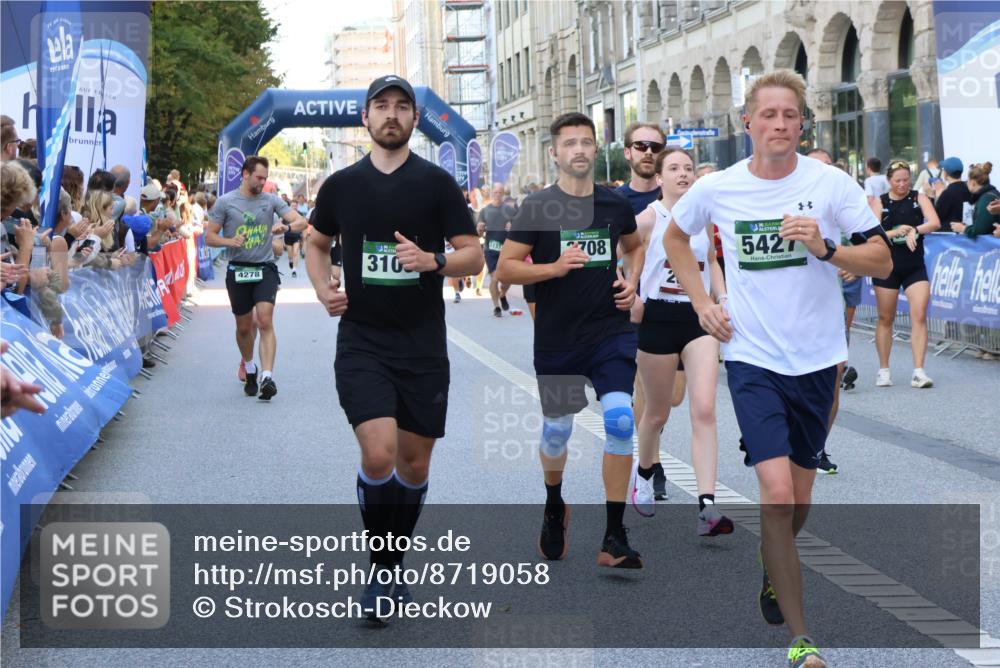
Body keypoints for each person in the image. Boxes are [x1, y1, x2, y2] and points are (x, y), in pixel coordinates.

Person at [665, 70, 891, 668]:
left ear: (802, 122)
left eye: (791, 115)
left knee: (800, 497)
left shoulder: (831, 184)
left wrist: (827, 248)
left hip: (817, 360)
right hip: (752, 357)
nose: (781, 125)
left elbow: (882, 257)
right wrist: (702, 304)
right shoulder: (720, 188)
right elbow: (672, 239)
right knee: (776, 489)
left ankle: (775, 559)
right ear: (747, 123)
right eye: (768, 115)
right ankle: (801, 640)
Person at [306, 75, 483, 620]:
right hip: (362, 340)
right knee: (379, 452)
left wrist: (433, 261)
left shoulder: (435, 184)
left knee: (413, 463)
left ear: (413, 120)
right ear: (365, 118)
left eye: (401, 107)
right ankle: (381, 573)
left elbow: (474, 256)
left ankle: (392, 563)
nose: (391, 114)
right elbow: (315, 241)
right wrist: (321, 288)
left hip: (423, 345)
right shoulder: (341, 185)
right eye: (380, 106)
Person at [496, 112, 645, 570]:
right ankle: (554, 503)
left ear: (596, 150)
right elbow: (505, 269)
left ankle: (614, 535)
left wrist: (631, 282)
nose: (579, 149)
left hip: (610, 333)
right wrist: (554, 269)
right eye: (570, 143)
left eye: (586, 142)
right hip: (559, 340)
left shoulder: (615, 205)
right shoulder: (537, 207)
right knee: (558, 429)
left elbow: (635, 246)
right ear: (555, 153)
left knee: (620, 421)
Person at [632, 147, 733, 536]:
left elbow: (713, 261)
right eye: (673, 168)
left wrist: (721, 299)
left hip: (699, 317)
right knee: (657, 412)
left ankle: (707, 506)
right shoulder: (646, 219)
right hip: (658, 317)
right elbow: (626, 258)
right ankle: (643, 473)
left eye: (688, 168)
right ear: (658, 178)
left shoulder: (704, 217)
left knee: (704, 409)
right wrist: (632, 294)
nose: (683, 174)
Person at [204, 155, 308, 401]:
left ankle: (268, 377)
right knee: (243, 327)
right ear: (245, 174)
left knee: (264, 320)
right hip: (238, 269)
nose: (263, 182)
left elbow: (302, 222)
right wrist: (229, 241)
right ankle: (250, 367)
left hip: (264, 268)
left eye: (265, 178)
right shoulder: (226, 202)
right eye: (259, 177)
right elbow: (209, 237)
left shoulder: (270, 201)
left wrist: (287, 227)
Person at [805, 147, 857, 474]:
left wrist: (852, 262)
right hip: (785, 309)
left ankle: (818, 447)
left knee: (834, 373)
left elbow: (866, 242)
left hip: (827, 304)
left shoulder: (839, 201)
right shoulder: (780, 201)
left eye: (827, 166)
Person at [870, 160, 941, 389]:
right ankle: (884, 369)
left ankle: (919, 371)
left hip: (914, 266)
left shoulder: (917, 197)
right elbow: (872, 234)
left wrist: (914, 230)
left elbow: (935, 222)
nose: (902, 184)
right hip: (887, 266)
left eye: (905, 180)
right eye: (897, 180)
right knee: (886, 318)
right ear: (889, 181)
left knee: (919, 315)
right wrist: (894, 232)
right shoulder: (880, 201)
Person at [477, 183, 512, 317]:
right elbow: (479, 233)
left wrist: (512, 226)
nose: (497, 195)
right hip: (490, 249)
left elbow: (518, 228)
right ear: (492, 194)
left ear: (503, 194)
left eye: (500, 193)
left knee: (507, 279)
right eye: (495, 192)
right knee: (495, 278)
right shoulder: (485, 211)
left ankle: (502, 295)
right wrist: (479, 229)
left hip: (506, 250)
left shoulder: (509, 210)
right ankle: (497, 307)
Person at [616, 122, 665, 216]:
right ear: (627, 153)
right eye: (641, 145)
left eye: (656, 147)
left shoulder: (675, 198)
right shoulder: (614, 201)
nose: (649, 152)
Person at [950, 162, 998, 239]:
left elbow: (981, 230)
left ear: (973, 183)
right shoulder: (991, 194)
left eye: (967, 181)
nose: (966, 183)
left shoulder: (986, 199)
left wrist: (963, 228)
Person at [933, 156, 971, 233]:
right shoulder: (970, 189)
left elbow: (935, 218)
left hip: (950, 238)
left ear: (946, 173)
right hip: (967, 234)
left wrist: (937, 196)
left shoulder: (948, 193)